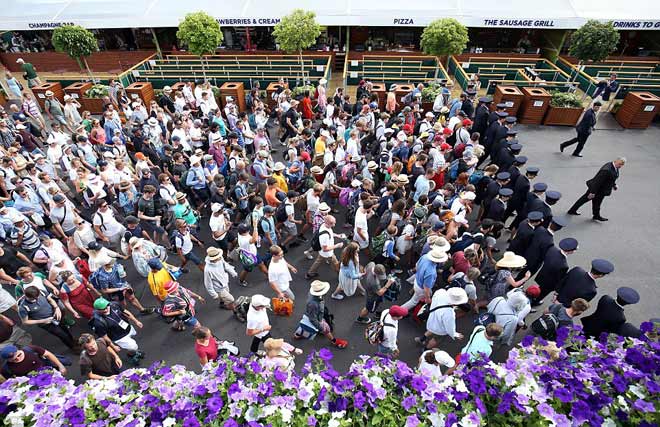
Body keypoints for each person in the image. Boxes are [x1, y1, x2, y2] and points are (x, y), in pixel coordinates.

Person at [89, 297, 145, 366]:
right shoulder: (98, 322)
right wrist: (113, 346)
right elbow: (104, 337)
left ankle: (132, 352)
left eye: (107, 306)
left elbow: (126, 312)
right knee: (133, 346)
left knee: (132, 340)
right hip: (119, 337)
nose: (107, 309)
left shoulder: (114, 305)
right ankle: (133, 355)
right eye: (103, 309)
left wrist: (136, 321)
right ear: (98, 310)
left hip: (127, 328)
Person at [18, 286, 76, 350]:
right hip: (46, 323)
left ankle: (73, 341)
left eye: (38, 296)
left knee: (65, 329)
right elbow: (25, 322)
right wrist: (43, 321)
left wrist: (56, 308)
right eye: (35, 298)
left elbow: (50, 299)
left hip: (55, 315)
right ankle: (72, 347)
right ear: (28, 296)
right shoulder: (23, 307)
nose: (38, 298)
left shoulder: (41, 292)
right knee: (62, 335)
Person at [567, 157, 625, 222]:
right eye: (620, 164)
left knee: (595, 203)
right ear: (616, 161)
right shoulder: (606, 170)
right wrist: (592, 193)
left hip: (601, 190)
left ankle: (595, 215)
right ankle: (573, 211)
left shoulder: (614, 167)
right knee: (585, 200)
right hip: (597, 190)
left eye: (622, 165)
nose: (620, 166)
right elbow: (597, 182)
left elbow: (610, 178)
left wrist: (614, 185)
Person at [294, 280, 348, 348]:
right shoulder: (313, 304)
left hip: (310, 314)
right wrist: (321, 327)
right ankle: (334, 341)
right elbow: (313, 319)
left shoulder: (312, 295)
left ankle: (297, 335)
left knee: (303, 327)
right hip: (317, 318)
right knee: (326, 329)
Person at [534, 238, 578, 303]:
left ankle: (533, 296)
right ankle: (535, 302)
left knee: (538, 289)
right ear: (570, 251)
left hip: (542, 275)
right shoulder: (564, 265)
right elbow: (559, 279)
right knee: (542, 294)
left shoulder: (552, 250)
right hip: (549, 284)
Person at [306, 214, 343, 279]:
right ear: (328, 223)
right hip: (328, 254)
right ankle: (341, 275)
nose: (334, 225)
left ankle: (310, 273)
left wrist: (337, 235)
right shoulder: (324, 235)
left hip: (322, 253)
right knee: (336, 264)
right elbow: (325, 249)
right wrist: (337, 246)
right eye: (333, 223)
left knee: (318, 261)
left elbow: (330, 234)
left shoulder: (323, 225)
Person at [0, 344, 67, 378]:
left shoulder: (30, 349)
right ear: (7, 360)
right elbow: (11, 380)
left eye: (19, 355)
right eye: (14, 360)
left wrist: (60, 365)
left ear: (18, 350)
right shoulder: (6, 368)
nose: (18, 359)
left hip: (51, 372)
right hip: (34, 384)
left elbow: (48, 354)